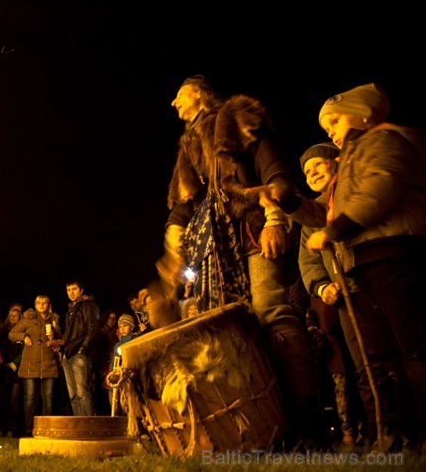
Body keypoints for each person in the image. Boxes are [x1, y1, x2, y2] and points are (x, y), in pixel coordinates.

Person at [155, 75, 321, 447]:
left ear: (198, 91)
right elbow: (184, 202)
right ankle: (257, 428)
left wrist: (276, 220)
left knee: (270, 312)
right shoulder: (189, 146)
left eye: (178, 94)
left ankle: (307, 426)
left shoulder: (236, 116)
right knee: (228, 331)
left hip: (252, 230)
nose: (173, 103)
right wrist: (172, 239)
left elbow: (272, 168)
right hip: (213, 249)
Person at [301, 83, 426, 452]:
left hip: (392, 253)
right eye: (327, 128)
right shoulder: (351, 161)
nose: (331, 131)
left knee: (414, 346)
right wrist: (288, 202)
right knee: (383, 355)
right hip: (363, 265)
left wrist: (335, 230)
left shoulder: (384, 141)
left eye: (334, 121)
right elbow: (324, 210)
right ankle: (405, 434)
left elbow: (380, 188)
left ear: (364, 113)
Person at [296, 142, 365, 448]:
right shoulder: (311, 215)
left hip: (367, 283)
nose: (311, 174)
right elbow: (308, 261)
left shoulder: (351, 193)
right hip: (339, 297)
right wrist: (322, 285)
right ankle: (362, 429)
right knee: (353, 365)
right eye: (307, 172)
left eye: (317, 166)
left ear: (334, 163)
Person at [9, 295, 61, 437]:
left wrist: (55, 340)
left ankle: (47, 429)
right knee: (30, 397)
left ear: (48, 304)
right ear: (35, 305)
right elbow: (12, 334)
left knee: (48, 397)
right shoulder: (28, 319)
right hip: (30, 364)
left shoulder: (54, 320)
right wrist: (24, 337)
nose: (41, 305)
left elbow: (61, 339)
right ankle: (29, 429)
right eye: (38, 303)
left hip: (48, 363)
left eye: (44, 303)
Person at [61, 279, 100, 417]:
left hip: (79, 354)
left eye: (74, 289)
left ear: (81, 290)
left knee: (83, 392)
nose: (71, 292)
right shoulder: (71, 310)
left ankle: (89, 426)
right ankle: (79, 426)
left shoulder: (87, 306)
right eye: (68, 290)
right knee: (73, 395)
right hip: (68, 355)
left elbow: (93, 330)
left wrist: (82, 349)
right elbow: (70, 336)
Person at [0, 304, 24, 437]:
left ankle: (12, 430)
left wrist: (14, 364)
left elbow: (24, 351)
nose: (13, 317)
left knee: (14, 401)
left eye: (16, 315)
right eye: (11, 315)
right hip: (2, 370)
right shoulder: (2, 332)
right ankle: (0, 429)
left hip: (15, 371)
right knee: (1, 401)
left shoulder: (23, 332)